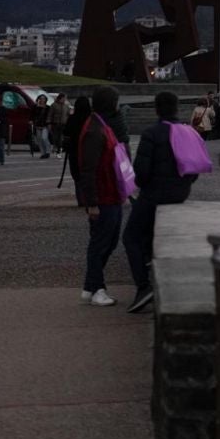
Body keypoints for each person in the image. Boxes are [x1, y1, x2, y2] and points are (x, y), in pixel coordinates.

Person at [123, 91, 198, 313]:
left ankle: (143, 286)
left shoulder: (151, 134)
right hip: (180, 193)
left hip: (155, 194)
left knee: (131, 237)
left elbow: (141, 173)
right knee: (149, 235)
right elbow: (194, 169)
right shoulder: (187, 132)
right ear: (176, 109)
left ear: (157, 109)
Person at [78, 87, 124, 307]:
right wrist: (92, 203)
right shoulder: (95, 130)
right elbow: (88, 169)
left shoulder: (100, 125)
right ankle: (97, 288)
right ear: (110, 103)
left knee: (109, 241)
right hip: (104, 196)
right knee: (100, 243)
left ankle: (90, 286)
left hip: (111, 194)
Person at [62, 96, 92, 201]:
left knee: (77, 176)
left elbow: (66, 133)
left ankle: (81, 198)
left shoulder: (72, 118)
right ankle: (89, 197)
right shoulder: (91, 119)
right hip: (89, 151)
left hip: (74, 150)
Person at [49, 92, 69, 158]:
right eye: (64, 98)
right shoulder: (54, 105)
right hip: (55, 124)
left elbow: (68, 114)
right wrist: (49, 122)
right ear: (60, 98)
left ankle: (58, 151)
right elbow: (50, 115)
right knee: (55, 138)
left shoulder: (66, 106)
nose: (65, 99)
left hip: (63, 124)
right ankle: (55, 146)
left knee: (60, 138)